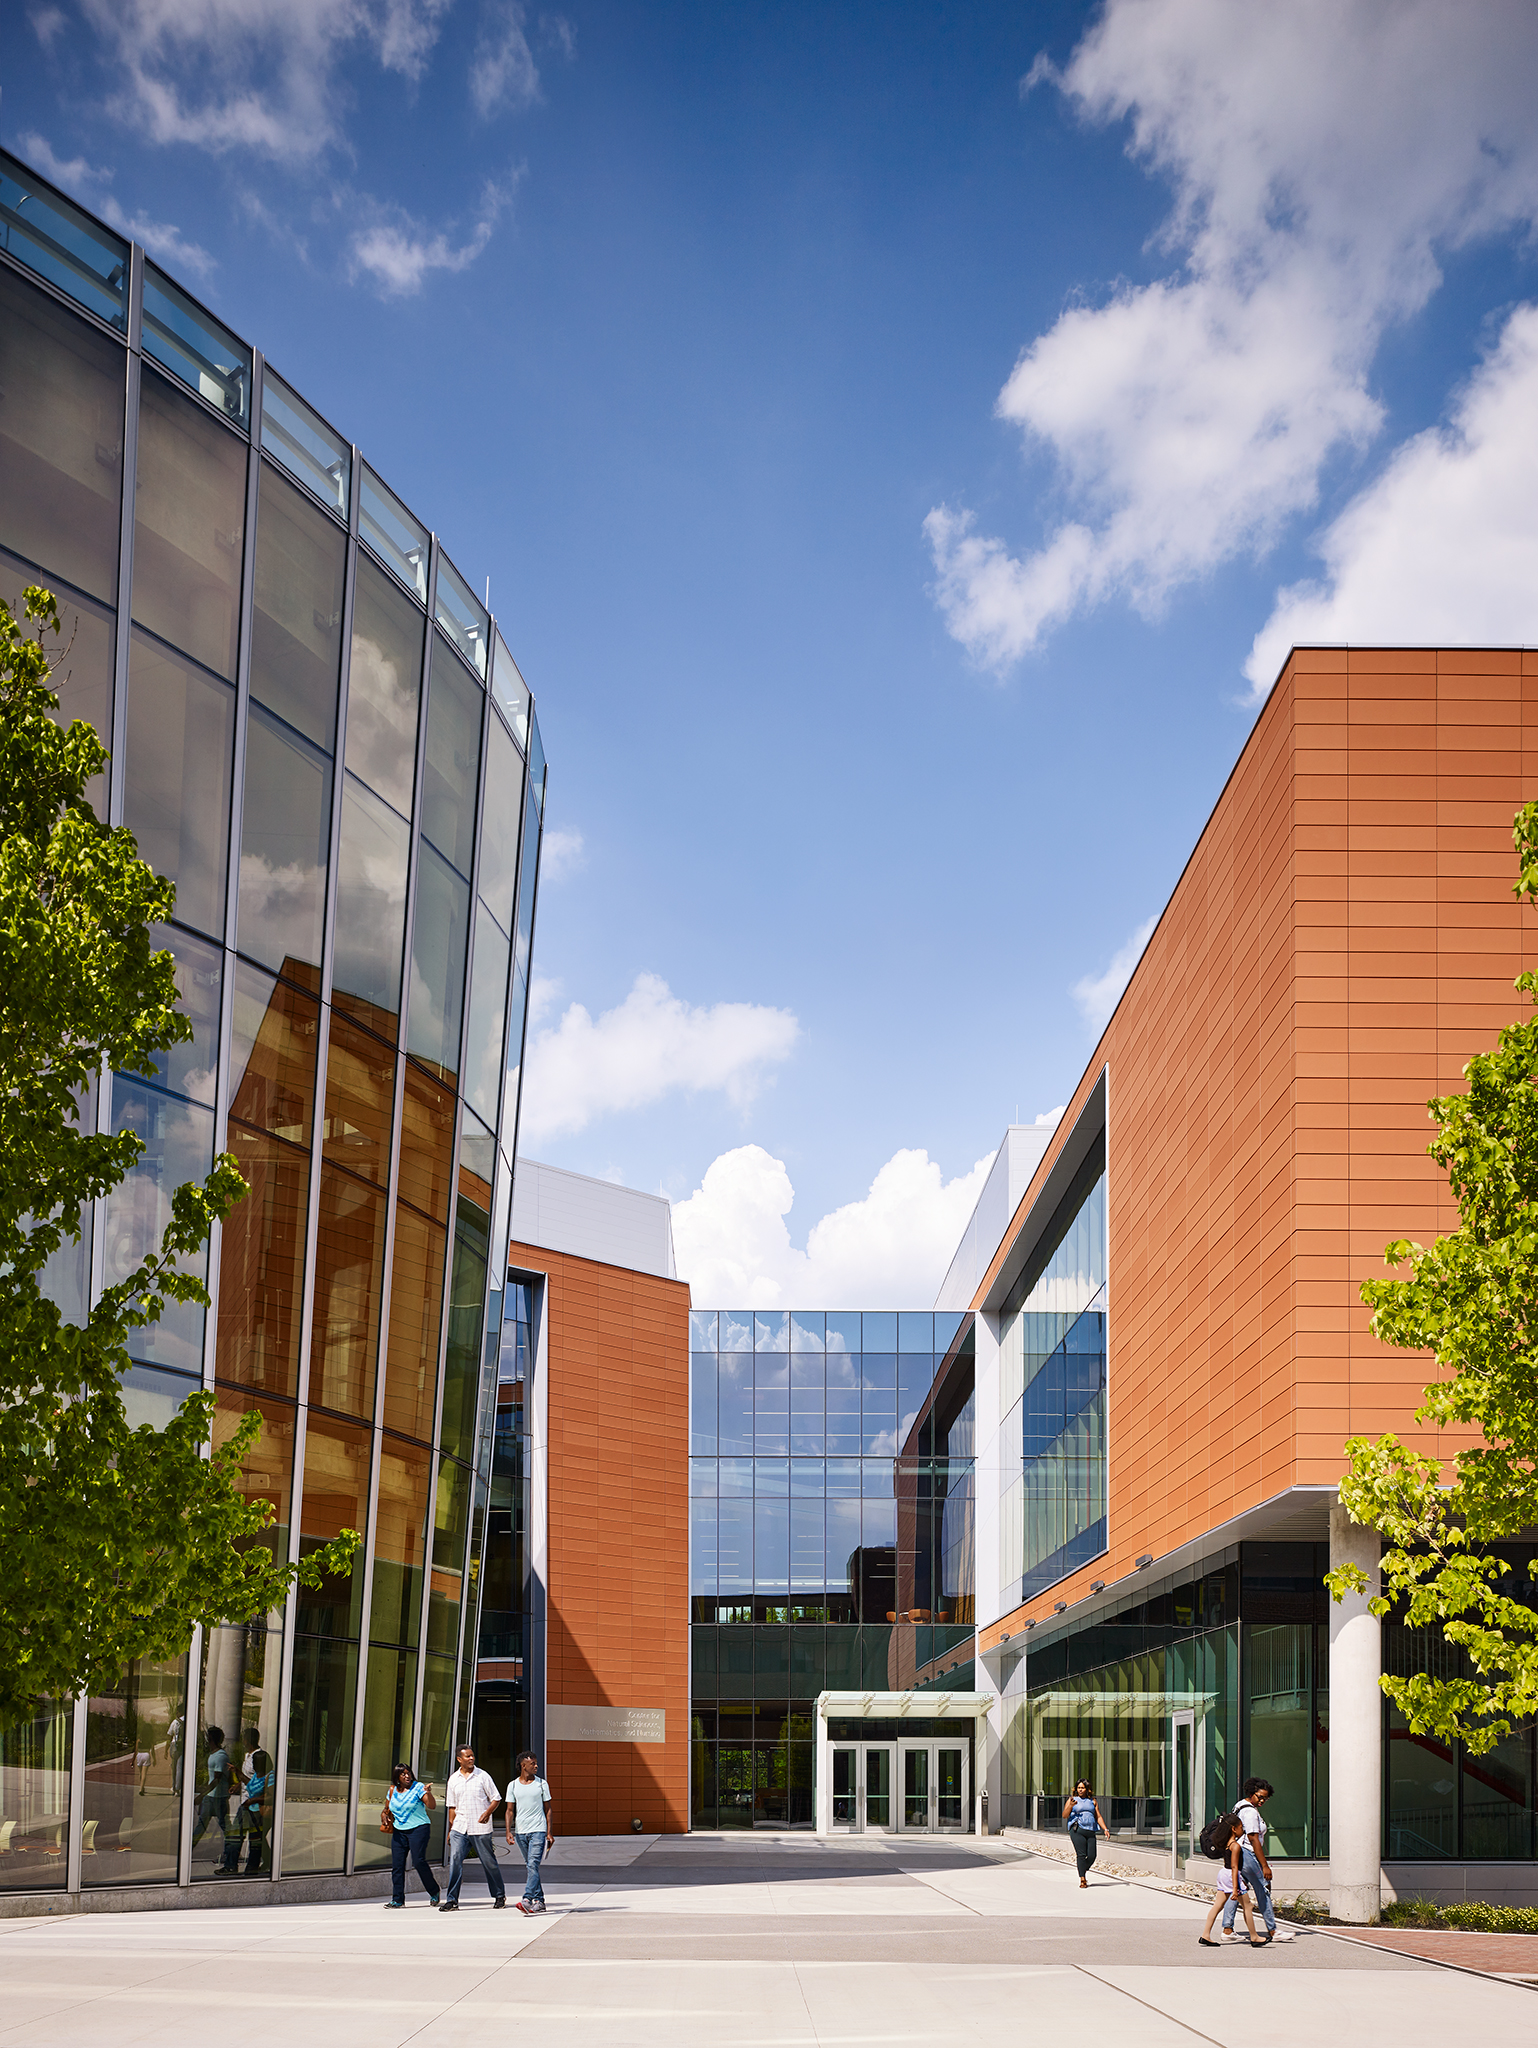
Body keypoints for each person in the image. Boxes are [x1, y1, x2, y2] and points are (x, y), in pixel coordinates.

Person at [441, 1745, 506, 1911]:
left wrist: (487, 1813)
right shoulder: (453, 1779)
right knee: (455, 1861)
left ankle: (499, 1895)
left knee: (488, 1862)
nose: (471, 1759)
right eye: (467, 1756)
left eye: (472, 1756)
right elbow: (452, 1807)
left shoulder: (482, 1776)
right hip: (460, 1827)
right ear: (459, 1759)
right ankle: (452, 1900)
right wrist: (450, 1830)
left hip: (480, 1828)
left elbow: (496, 1798)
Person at [1221, 1777, 1277, 1943]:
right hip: (1248, 1853)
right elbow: (1253, 1838)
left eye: (1265, 1798)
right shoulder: (1250, 1812)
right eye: (1260, 1797)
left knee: (1236, 1890)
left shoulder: (1240, 1805)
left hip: (1237, 1853)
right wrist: (1264, 1865)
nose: (1262, 1801)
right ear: (1252, 1793)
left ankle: (1227, 1929)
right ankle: (1273, 1930)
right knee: (1263, 1887)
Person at [1199, 1813, 1264, 1947]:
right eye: (1241, 1827)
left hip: (1223, 1874)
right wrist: (1235, 1889)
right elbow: (1235, 1867)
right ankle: (1254, 1937)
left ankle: (1205, 1935)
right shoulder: (1235, 1846)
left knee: (1217, 1906)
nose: (1243, 1830)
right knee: (1248, 1906)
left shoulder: (1223, 1843)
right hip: (1232, 1876)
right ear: (1234, 1829)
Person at [383, 1763, 440, 1909]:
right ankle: (397, 1900)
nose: (407, 1776)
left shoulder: (418, 1787)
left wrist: (427, 1792)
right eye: (403, 1774)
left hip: (419, 1829)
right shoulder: (392, 1790)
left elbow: (432, 1806)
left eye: (408, 1773)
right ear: (397, 1777)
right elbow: (386, 1809)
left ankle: (434, 1891)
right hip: (399, 1831)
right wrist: (384, 1815)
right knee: (397, 1865)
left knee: (419, 1861)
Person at [505, 1751, 553, 1915]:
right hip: (520, 1832)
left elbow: (548, 1810)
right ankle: (540, 1902)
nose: (536, 1766)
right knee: (531, 1867)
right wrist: (508, 1831)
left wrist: (549, 1832)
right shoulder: (512, 1785)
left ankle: (527, 1899)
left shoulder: (541, 1784)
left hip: (538, 1830)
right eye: (532, 1763)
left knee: (533, 1864)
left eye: (536, 1763)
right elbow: (509, 1810)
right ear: (523, 1765)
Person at [221, 1749, 273, 1876]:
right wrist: (237, 1772)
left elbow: (272, 1797)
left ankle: (251, 1869)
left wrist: (253, 1800)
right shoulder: (258, 1774)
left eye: (254, 1762)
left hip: (258, 1813)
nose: (253, 1765)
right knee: (235, 1837)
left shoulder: (270, 1776)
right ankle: (231, 1866)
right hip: (247, 1809)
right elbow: (251, 1785)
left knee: (255, 1842)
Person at [189, 1727, 232, 1856]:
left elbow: (216, 1780)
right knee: (201, 1824)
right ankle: (188, 1849)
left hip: (219, 1798)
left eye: (208, 1737)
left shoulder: (220, 1756)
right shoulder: (214, 1754)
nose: (206, 1739)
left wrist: (201, 1796)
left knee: (225, 1826)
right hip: (211, 1796)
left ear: (211, 1739)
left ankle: (230, 1853)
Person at [1062, 1777, 1107, 1888]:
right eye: (1079, 1788)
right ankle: (1083, 1879)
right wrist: (1071, 1806)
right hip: (1077, 1830)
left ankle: (1082, 1868)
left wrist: (1105, 1829)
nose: (1080, 1790)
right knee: (1081, 1855)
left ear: (1087, 1789)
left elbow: (1098, 1816)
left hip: (1091, 1830)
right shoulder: (1072, 1800)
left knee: (1092, 1855)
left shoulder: (1093, 1801)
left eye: (1082, 1788)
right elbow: (1064, 1815)